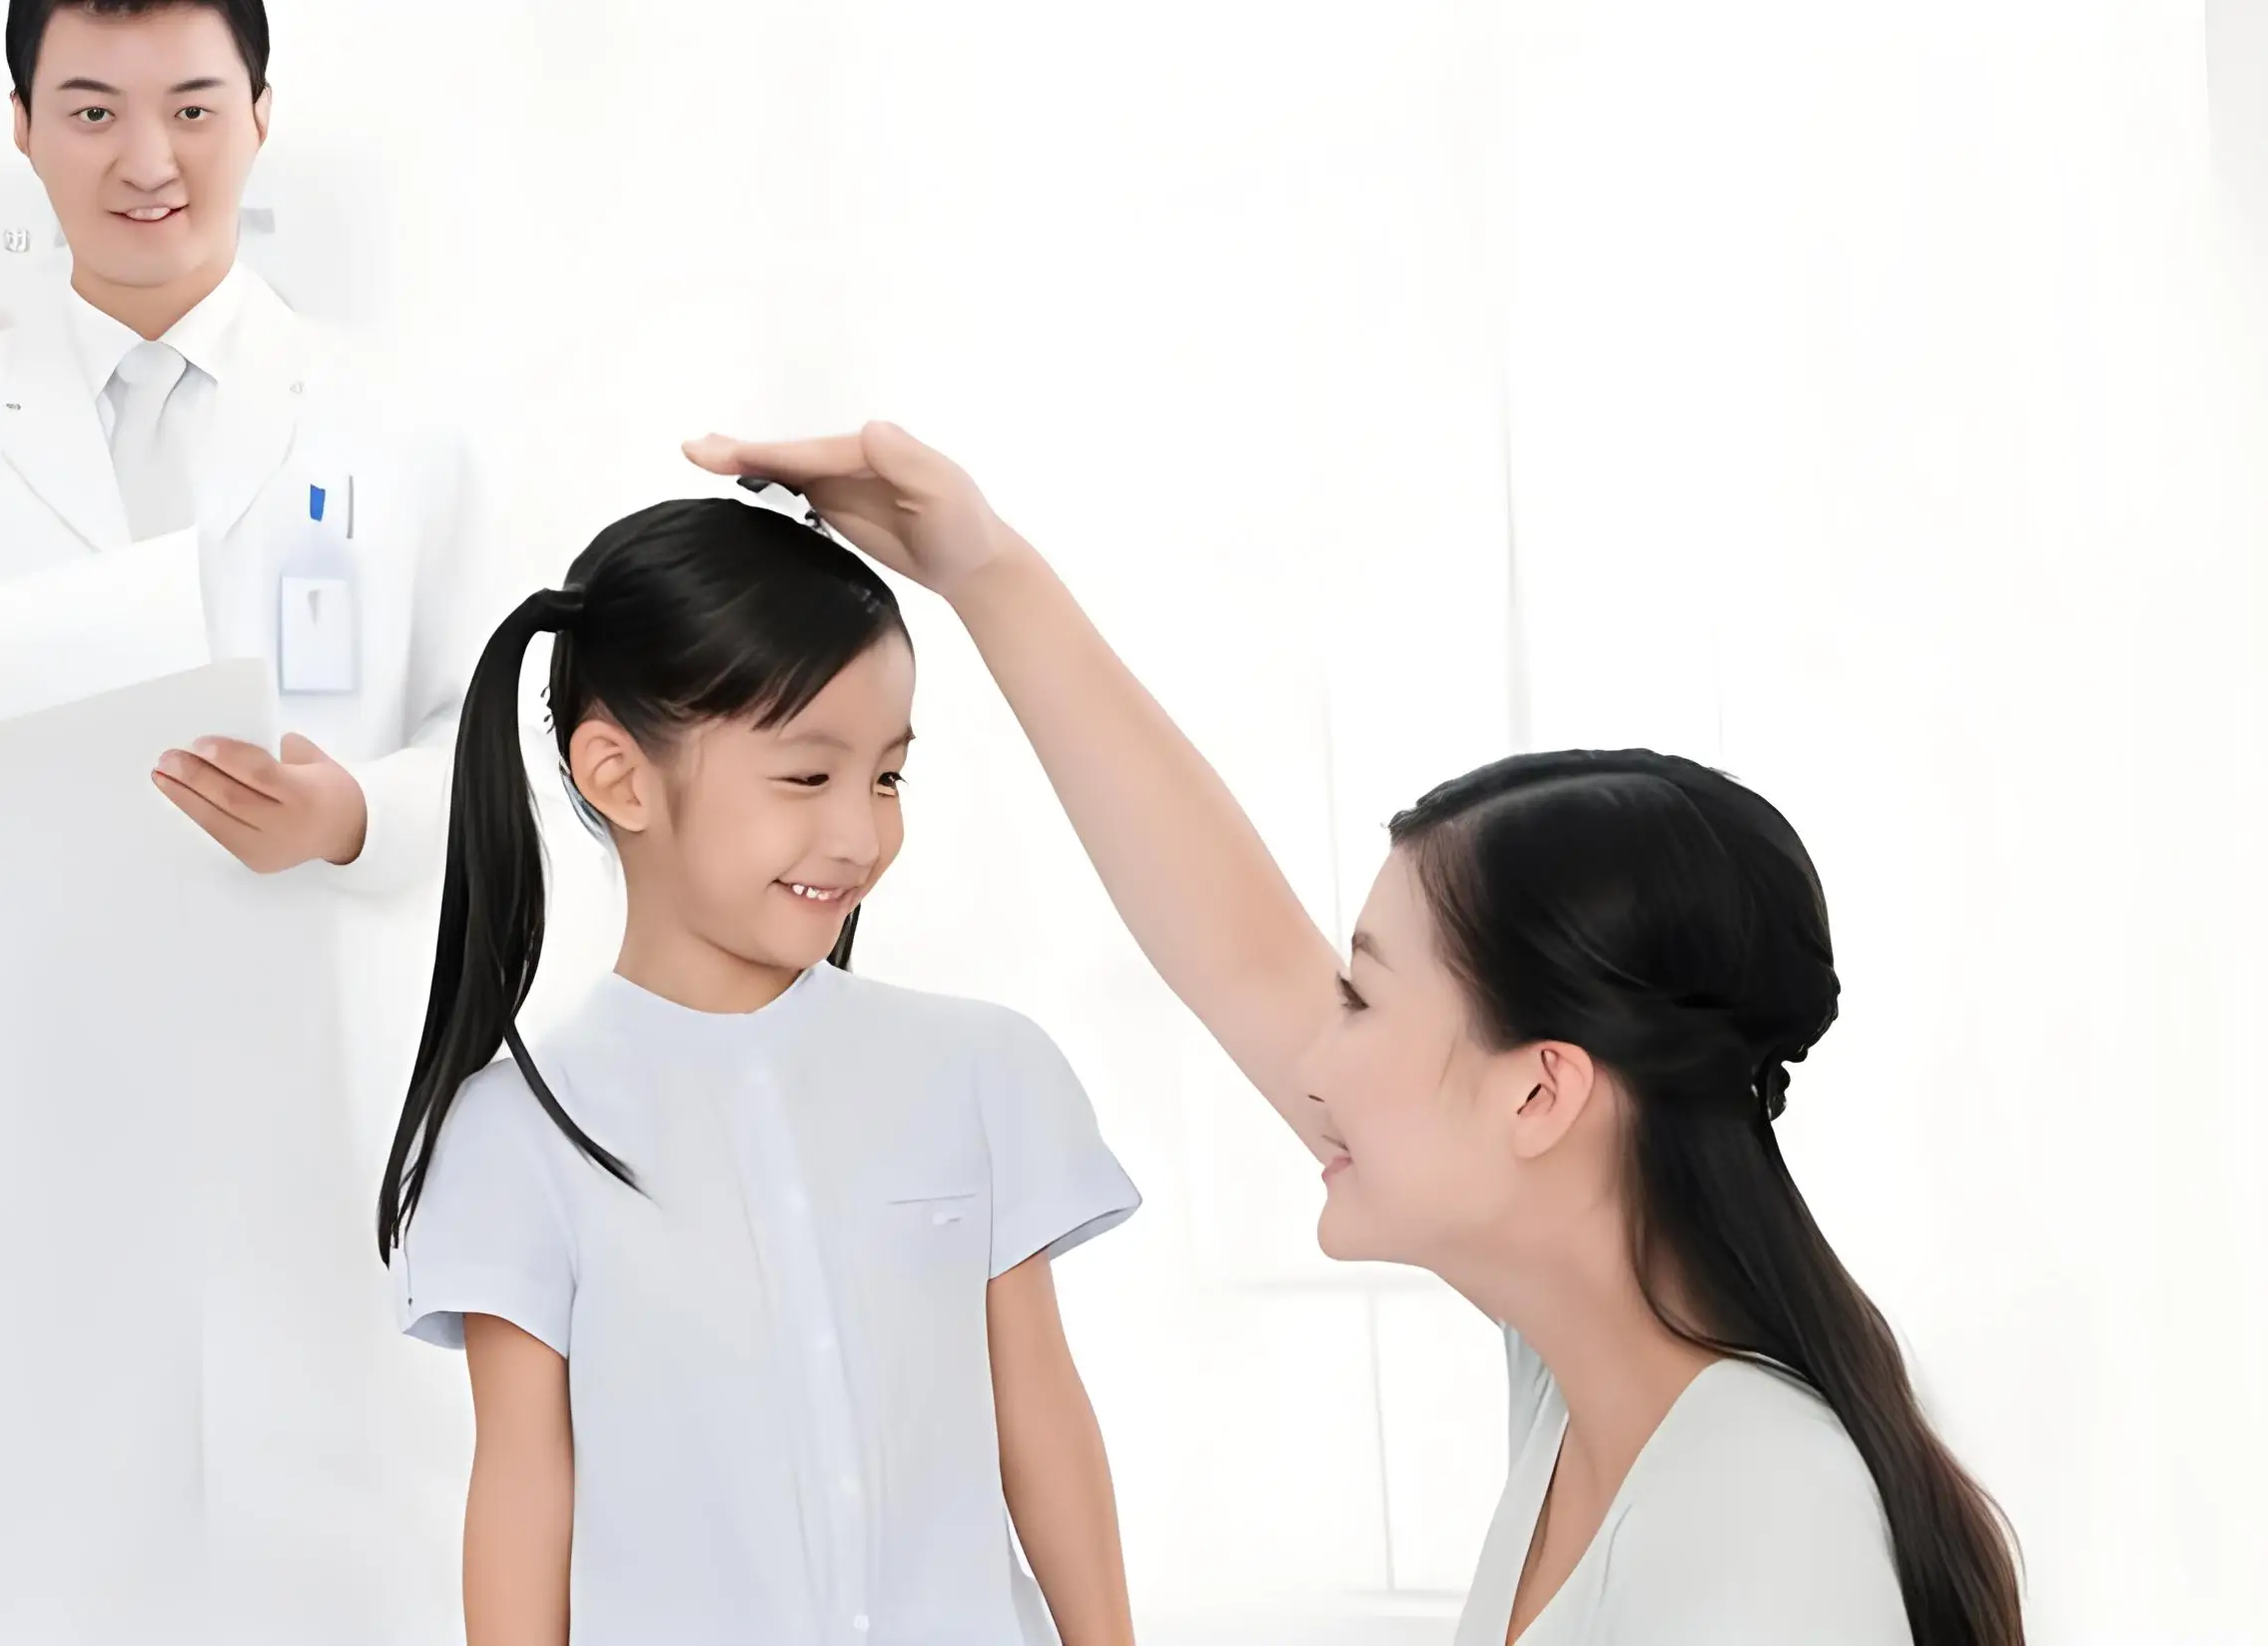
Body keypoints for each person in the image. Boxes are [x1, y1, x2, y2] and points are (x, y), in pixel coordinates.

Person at [682, 425, 2029, 1646]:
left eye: (1365, 1003)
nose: (1313, 1059)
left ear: (1540, 1094)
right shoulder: (1596, 1391)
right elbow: (1237, 950)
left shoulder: (1760, 1511)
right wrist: (983, 572)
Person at [0, 3, 487, 1639]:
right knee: (37, 1576)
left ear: (263, 114)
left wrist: (351, 814)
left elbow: (518, 757)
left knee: (324, 1569)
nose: (149, 161)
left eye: (194, 107)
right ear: (21, 127)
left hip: (314, 1111)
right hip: (26, 1127)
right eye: (91, 111)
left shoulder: (398, 430)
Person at [378, 492, 1141, 1646]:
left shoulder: (981, 1072)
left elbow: (1040, 1421)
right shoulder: (518, 1131)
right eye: (807, 778)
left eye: (886, 778)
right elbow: (525, 1492)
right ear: (619, 776)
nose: (861, 836)